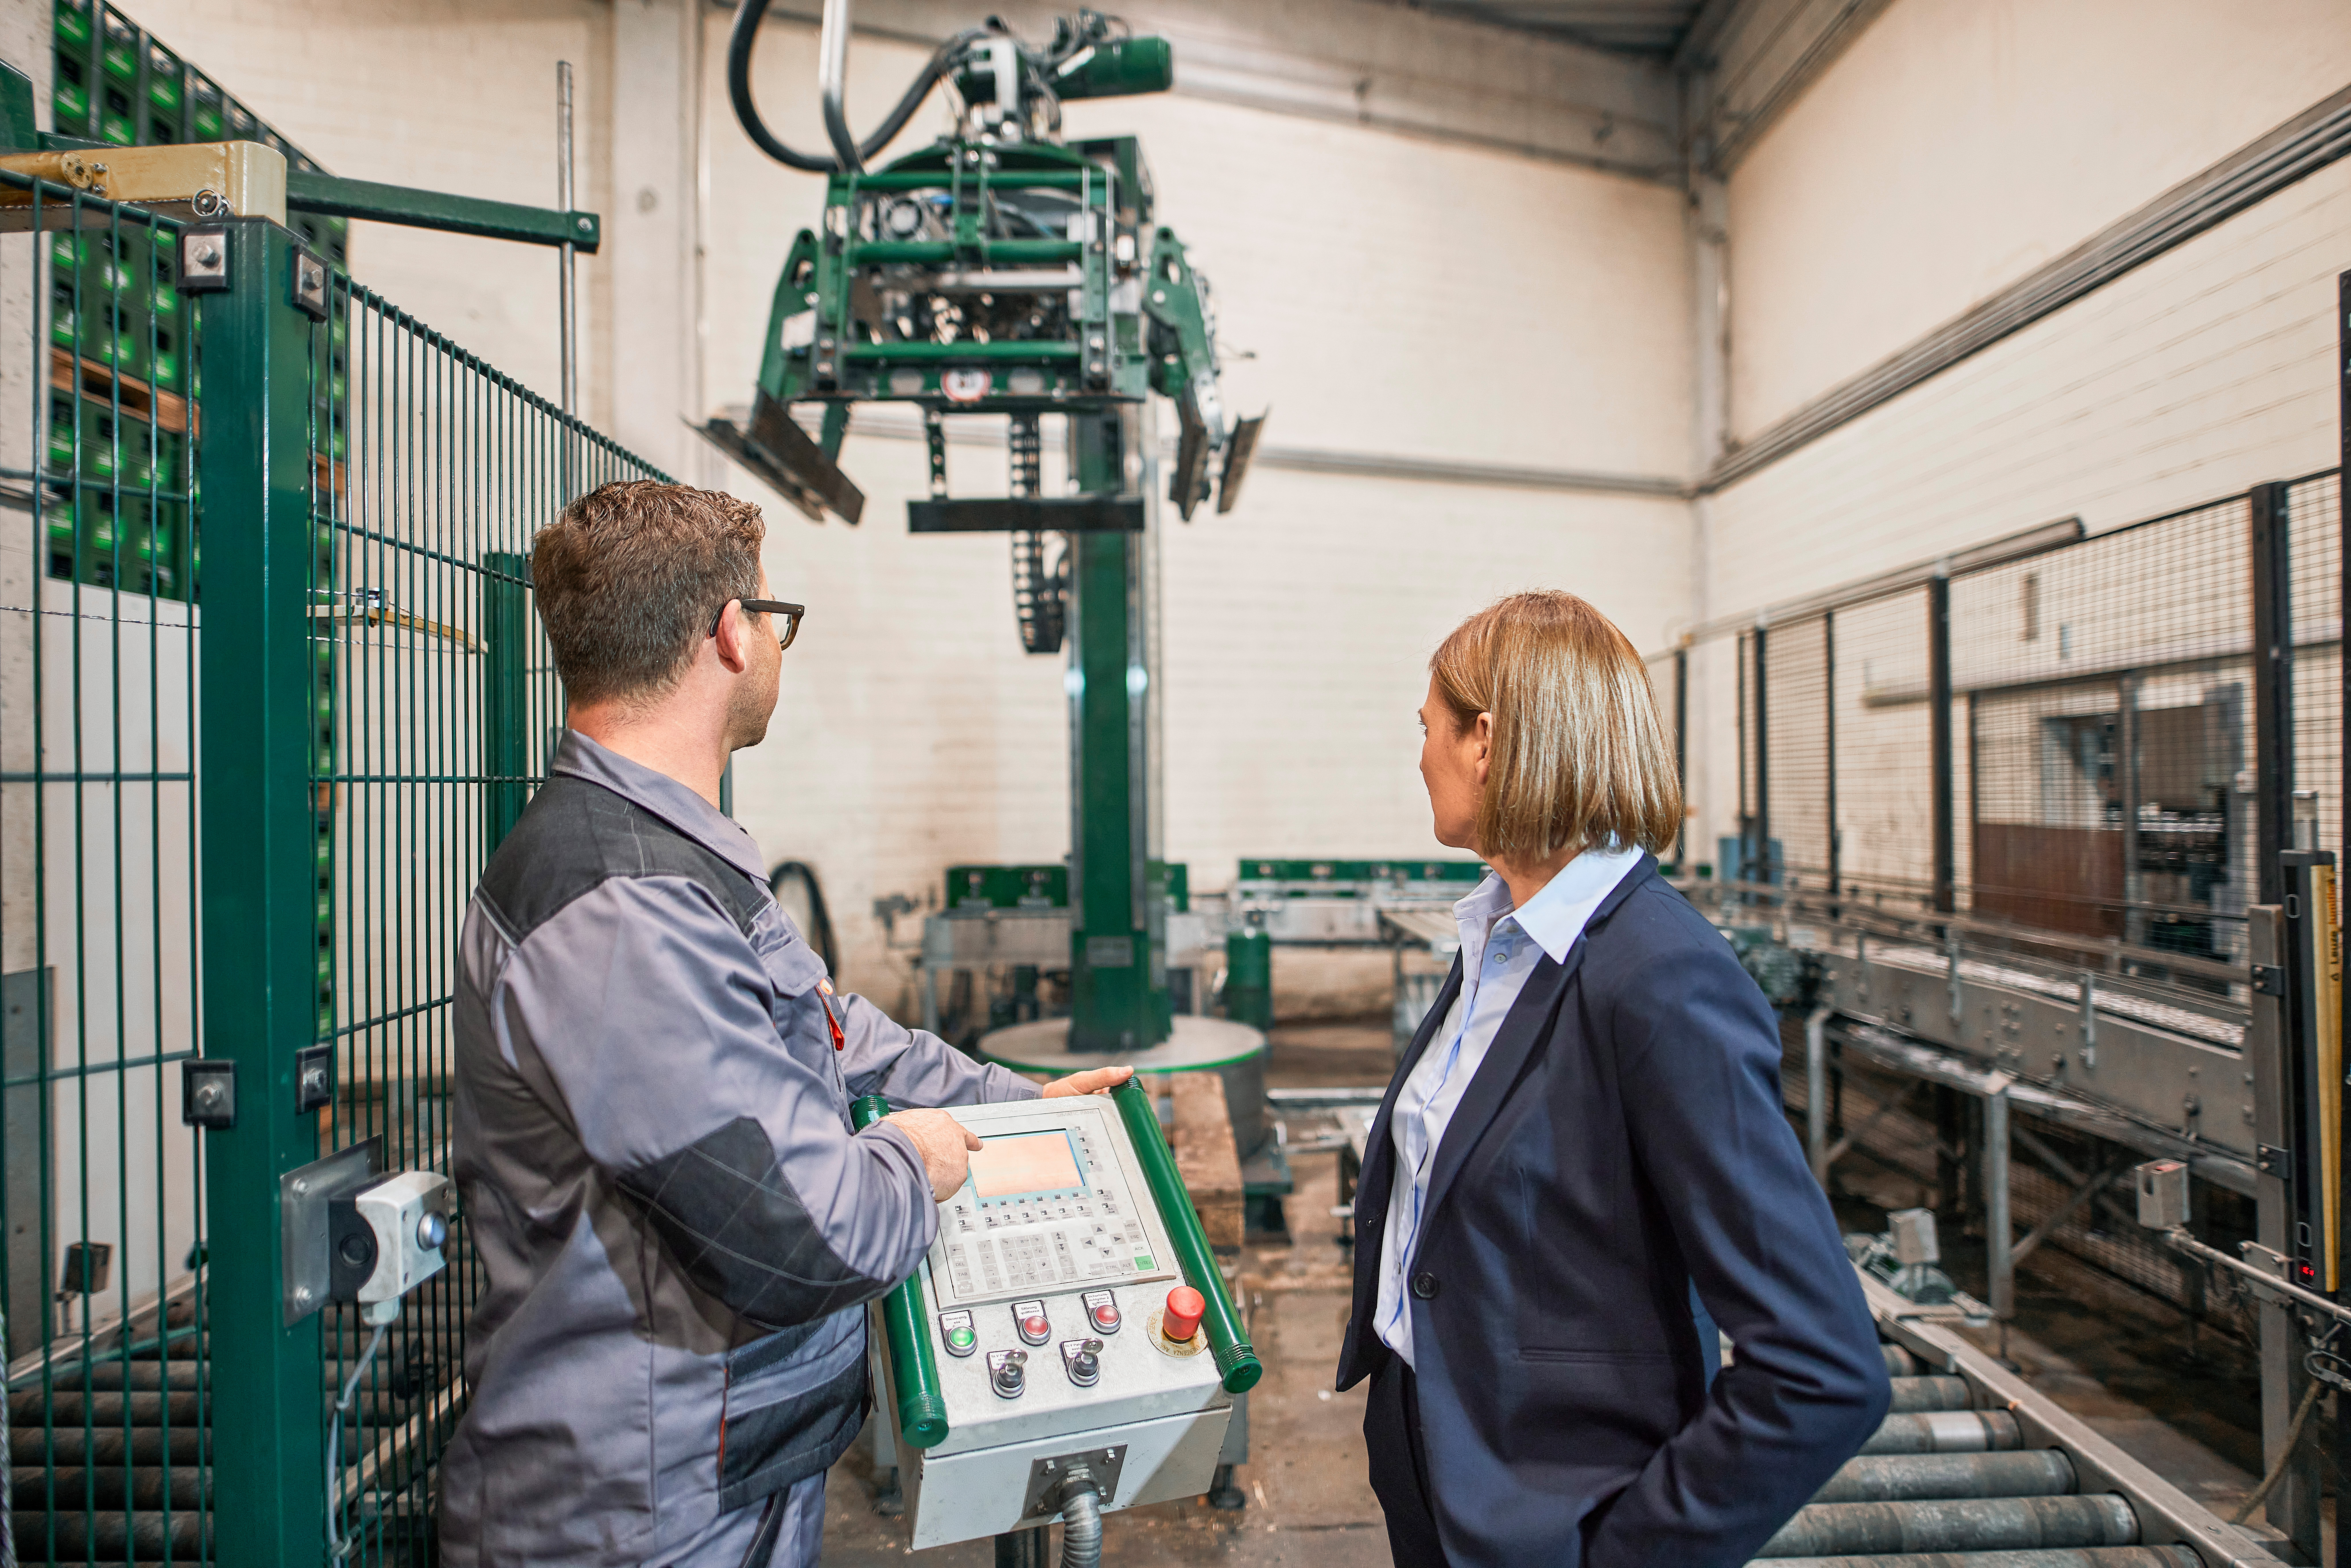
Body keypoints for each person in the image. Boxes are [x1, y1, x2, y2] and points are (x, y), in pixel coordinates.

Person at [438, 480, 1129, 1568]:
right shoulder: (622, 908)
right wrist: (919, 1154)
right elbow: (799, 1236)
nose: (777, 643)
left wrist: (1016, 1106)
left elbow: (831, 1029)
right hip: (639, 1510)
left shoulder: (673, 852)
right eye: (775, 617)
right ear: (728, 635)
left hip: (717, 1466)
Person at [1335, 590, 1890, 1567]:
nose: (1418, 755)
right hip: (1440, 1463)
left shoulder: (1660, 977)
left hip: (1556, 1503)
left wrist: (1629, 1552)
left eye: (1428, 728)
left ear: (1489, 741)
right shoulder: (1505, 940)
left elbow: (1823, 1366)